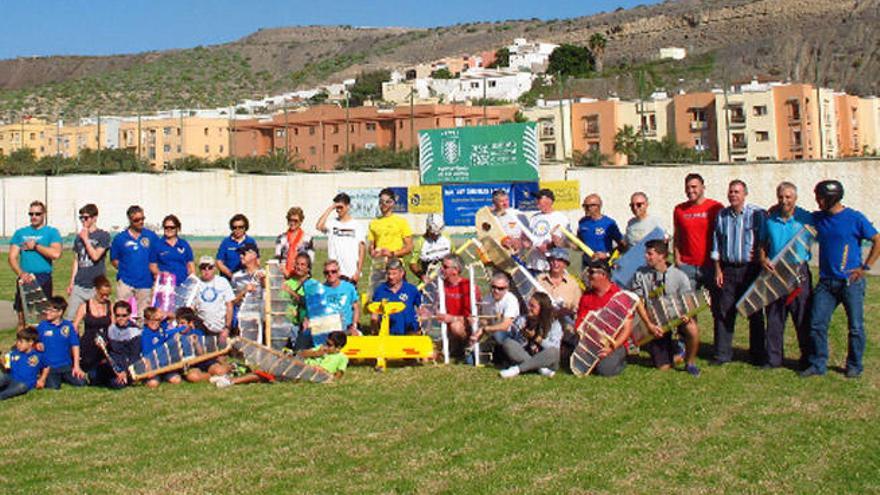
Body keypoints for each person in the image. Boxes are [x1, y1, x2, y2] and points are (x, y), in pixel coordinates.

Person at [802, 180, 880, 379]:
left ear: (831, 198)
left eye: (820, 198)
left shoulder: (854, 218)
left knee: (855, 327)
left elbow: (877, 240)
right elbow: (797, 215)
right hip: (826, 283)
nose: (817, 201)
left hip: (850, 283)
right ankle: (818, 364)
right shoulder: (818, 218)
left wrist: (865, 267)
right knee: (817, 324)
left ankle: (854, 365)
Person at [711, 179, 767, 366]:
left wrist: (760, 255)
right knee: (724, 312)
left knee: (755, 312)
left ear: (745, 194)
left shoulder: (756, 214)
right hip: (728, 269)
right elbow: (716, 244)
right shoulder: (722, 216)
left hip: (750, 269)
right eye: (731, 192)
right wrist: (718, 269)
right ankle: (722, 354)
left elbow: (765, 239)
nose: (733, 195)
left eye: (737, 192)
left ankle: (758, 355)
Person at [761, 182, 814, 370]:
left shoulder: (807, 218)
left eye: (788, 197)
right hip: (776, 272)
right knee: (775, 318)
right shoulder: (769, 220)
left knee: (802, 317)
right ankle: (773, 360)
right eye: (781, 197)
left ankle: (808, 360)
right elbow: (762, 244)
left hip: (799, 272)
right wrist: (763, 259)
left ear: (795, 198)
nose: (784, 201)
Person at [631, 240, 701, 376]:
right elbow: (638, 302)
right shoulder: (640, 274)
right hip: (656, 322)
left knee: (692, 329)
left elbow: (688, 301)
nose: (646, 256)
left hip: (676, 316)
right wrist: (649, 325)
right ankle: (675, 350)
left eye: (650, 254)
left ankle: (690, 363)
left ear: (662, 256)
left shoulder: (679, 276)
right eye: (646, 253)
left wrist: (687, 315)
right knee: (664, 367)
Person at [212, 331, 349, 388]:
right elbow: (301, 354)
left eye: (330, 345)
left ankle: (230, 381)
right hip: (297, 365)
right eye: (326, 342)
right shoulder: (320, 349)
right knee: (266, 368)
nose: (326, 346)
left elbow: (337, 377)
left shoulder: (342, 358)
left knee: (264, 373)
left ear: (338, 348)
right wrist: (316, 353)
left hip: (307, 374)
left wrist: (322, 372)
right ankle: (230, 375)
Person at [567, 260, 632, 377]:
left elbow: (627, 328)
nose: (588, 276)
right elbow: (580, 323)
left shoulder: (619, 296)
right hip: (590, 342)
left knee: (604, 370)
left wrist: (612, 347)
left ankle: (620, 360)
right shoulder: (586, 297)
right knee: (573, 364)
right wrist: (582, 343)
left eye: (592, 273)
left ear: (603, 275)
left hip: (613, 343)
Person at [8, 200, 62, 329]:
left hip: (43, 278)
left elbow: (56, 254)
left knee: (43, 318)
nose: (34, 217)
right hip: (25, 278)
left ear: (44, 214)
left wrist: (36, 246)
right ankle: (21, 345)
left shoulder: (51, 232)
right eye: (31, 214)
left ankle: (41, 345)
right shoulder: (20, 233)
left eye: (37, 214)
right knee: (22, 317)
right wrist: (21, 273)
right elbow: (12, 257)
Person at [673, 173, 723, 291]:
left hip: (710, 266)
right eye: (688, 187)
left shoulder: (716, 207)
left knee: (717, 304)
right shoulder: (679, 210)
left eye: (694, 187)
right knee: (687, 305)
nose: (690, 190)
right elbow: (677, 236)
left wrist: (720, 265)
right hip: (687, 266)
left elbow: (722, 237)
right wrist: (677, 259)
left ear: (703, 187)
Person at [111, 205, 160, 316]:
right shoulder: (120, 238)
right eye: (137, 220)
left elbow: (158, 256)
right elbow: (114, 259)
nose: (141, 222)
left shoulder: (151, 236)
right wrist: (126, 270)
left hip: (146, 282)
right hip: (126, 282)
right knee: (121, 313)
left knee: (143, 314)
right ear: (130, 220)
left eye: (143, 219)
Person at [499, 292, 562, 378]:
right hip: (527, 355)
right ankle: (539, 368)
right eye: (528, 305)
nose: (529, 308)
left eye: (532, 306)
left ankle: (517, 369)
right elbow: (517, 346)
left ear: (542, 309)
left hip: (546, 360)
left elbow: (555, 347)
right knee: (508, 343)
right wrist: (523, 336)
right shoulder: (522, 320)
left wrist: (537, 338)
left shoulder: (554, 324)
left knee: (553, 352)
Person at [65, 203, 111, 320]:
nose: (83, 221)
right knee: (70, 318)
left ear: (94, 218)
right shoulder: (78, 238)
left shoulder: (103, 236)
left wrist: (86, 239)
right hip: (79, 284)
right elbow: (77, 260)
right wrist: (71, 282)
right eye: (81, 218)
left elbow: (96, 256)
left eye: (86, 217)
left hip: (95, 285)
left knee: (94, 318)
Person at [302, 259, 361, 347]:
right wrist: (307, 320)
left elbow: (356, 307)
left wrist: (354, 325)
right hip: (328, 327)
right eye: (327, 272)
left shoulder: (349, 288)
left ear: (339, 272)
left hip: (346, 328)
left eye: (333, 271)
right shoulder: (320, 290)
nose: (330, 274)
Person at [432, 254, 479, 359]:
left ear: (455, 270)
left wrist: (452, 318)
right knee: (430, 354)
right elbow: (434, 307)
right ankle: (451, 348)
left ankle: (465, 347)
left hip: (464, 327)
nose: (441, 269)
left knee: (455, 326)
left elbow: (474, 317)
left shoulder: (469, 287)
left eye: (445, 267)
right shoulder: (440, 285)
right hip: (444, 326)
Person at [36, 296, 86, 388]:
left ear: (60, 312)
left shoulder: (68, 326)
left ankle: (65, 376)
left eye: (51, 310)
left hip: (66, 365)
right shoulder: (42, 326)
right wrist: (37, 344)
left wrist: (76, 366)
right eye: (47, 309)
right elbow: (33, 342)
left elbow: (75, 345)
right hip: (50, 367)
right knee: (54, 386)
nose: (47, 312)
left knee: (82, 382)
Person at [316, 193, 366, 283]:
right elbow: (319, 226)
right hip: (334, 272)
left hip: (351, 272)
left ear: (348, 206)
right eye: (337, 208)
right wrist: (330, 208)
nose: (338, 210)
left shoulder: (357, 225)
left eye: (341, 207)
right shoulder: (332, 223)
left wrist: (358, 271)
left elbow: (361, 250)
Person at [173, 307, 232, 382]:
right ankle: (214, 378)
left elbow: (202, 354)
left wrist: (196, 342)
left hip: (204, 360)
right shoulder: (175, 336)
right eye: (178, 323)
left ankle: (232, 367)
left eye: (182, 323)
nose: (179, 326)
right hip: (192, 365)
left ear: (190, 323)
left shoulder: (198, 333)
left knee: (219, 371)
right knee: (193, 377)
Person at [72, 275, 113, 382]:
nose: (105, 298)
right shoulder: (85, 306)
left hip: (104, 345)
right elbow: (75, 326)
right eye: (102, 295)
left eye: (107, 295)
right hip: (88, 345)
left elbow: (113, 327)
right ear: (96, 290)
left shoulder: (110, 306)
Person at [370, 257, 421, 335]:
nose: (391, 277)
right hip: (389, 335)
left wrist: (420, 328)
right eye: (388, 273)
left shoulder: (411, 290)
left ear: (402, 273)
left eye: (394, 274)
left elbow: (422, 309)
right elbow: (375, 314)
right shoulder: (380, 290)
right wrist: (375, 332)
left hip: (410, 334)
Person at [537, 248, 582, 329]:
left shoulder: (573, 285)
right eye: (552, 260)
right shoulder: (539, 279)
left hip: (562, 326)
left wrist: (565, 312)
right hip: (539, 322)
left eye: (559, 260)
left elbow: (576, 310)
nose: (555, 263)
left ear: (565, 264)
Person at [470, 272, 520, 345]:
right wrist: (478, 329)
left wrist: (485, 329)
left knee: (498, 334)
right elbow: (485, 320)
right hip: (493, 334)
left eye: (500, 288)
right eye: (494, 287)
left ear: (507, 289)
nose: (496, 291)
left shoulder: (511, 300)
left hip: (511, 336)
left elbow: (505, 326)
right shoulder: (487, 299)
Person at [102, 301, 142, 389]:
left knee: (117, 384)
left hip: (126, 366)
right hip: (113, 365)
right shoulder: (111, 329)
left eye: (124, 315)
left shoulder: (135, 332)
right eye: (117, 315)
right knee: (93, 376)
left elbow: (134, 357)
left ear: (129, 315)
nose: (120, 318)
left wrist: (125, 371)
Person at [191, 256, 235, 337]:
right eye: (203, 268)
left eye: (210, 267)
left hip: (220, 328)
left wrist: (227, 328)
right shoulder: (196, 284)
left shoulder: (222, 282)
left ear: (214, 268)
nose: (206, 270)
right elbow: (192, 308)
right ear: (199, 269)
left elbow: (229, 305)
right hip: (201, 327)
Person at [527, 189, 569, 273]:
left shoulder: (560, 218)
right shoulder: (534, 217)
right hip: (534, 264)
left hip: (551, 265)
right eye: (537, 199)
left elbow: (564, 241)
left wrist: (549, 246)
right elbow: (529, 238)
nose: (537, 202)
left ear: (549, 201)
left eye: (540, 199)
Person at [0, 326, 48, 400]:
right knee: (3, 377)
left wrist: (42, 379)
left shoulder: (38, 356)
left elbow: (46, 366)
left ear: (30, 342)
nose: (18, 344)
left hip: (25, 384)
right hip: (11, 379)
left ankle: (2, 395)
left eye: (21, 342)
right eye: (17, 341)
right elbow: (7, 368)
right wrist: (2, 362)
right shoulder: (14, 353)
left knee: (21, 387)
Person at [140, 306, 182, 389]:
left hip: (164, 364)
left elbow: (171, 316)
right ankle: (151, 379)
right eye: (152, 320)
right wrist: (149, 371)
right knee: (153, 384)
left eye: (158, 320)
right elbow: (146, 355)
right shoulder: (145, 334)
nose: (155, 322)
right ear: (146, 321)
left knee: (176, 380)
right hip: (152, 366)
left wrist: (162, 314)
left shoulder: (161, 327)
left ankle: (164, 376)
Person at [368, 188, 413, 261]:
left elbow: (409, 247)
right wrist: (372, 252)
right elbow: (371, 246)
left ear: (393, 203)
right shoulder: (373, 223)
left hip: (395, 264)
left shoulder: (401, 222)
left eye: (387, 202)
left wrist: (392, 253)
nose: (384, 204)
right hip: (379, 263)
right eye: (381, 202)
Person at [149, 214, 195, 286]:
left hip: (183, 285)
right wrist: (161, 275)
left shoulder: (184, 244)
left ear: (178, 228)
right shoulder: (157, 245)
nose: (169, 229)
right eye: (166, 227)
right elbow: (152, 266)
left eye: (172, 227)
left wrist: (192, 281)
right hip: (164, 286)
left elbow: (190, 265)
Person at [230, 242, 265, 333]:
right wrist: (244, 291)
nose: (241, 256)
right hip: (243, 317)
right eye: (240, 254)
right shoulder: (236, 276)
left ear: (253, 255)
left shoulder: (264, 274)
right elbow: (232, 301)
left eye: (243, 253)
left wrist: (264, 283)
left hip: (261, 317)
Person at [577, 193, 622, 262]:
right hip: (587, 263)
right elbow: (578, 244)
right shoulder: (582, 222)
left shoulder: (609, 223)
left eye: (590, 206)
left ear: (599, 206)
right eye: (585, 206)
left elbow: (622, 246)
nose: (587, 208)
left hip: (604, 263)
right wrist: (565, 242)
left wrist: (607, 254)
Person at [409, 214, 452, 281]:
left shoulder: (447, 238)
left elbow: (454, 257)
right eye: (433, 233)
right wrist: (421, 275)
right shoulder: (420, 242)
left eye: (438, 233)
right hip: (428, 282)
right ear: (428, 228)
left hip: (446, 282)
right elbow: (413, 263)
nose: (435, 235)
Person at [276, 206, 315, 279]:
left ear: (301, 221)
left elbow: (310, 260)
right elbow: (277, 258)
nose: (292, 223)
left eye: (295, 220)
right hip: (284, 275)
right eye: (290, 220)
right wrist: (285, 272)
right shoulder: (281, 238)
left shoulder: (308, 238)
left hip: (302, 276)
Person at [216, 213, 259, 280]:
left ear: (245, 227)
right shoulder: (226, 242)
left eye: (240, 227)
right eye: (234, 227)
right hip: (229, 279)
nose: (237, 229)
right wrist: (231, 276)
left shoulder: (251, 241)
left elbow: (257, 261)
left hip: (247, 280)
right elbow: (219, 262)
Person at [282, 253, 312, 349]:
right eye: (297, 264)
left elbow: (307, 302)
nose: (299, 267)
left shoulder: (312, 285)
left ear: (308, 268)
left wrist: (291, 292)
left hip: (303, 323)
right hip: (286, 322)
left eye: (302, 265)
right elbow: (280, 302)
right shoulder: (288, 283)